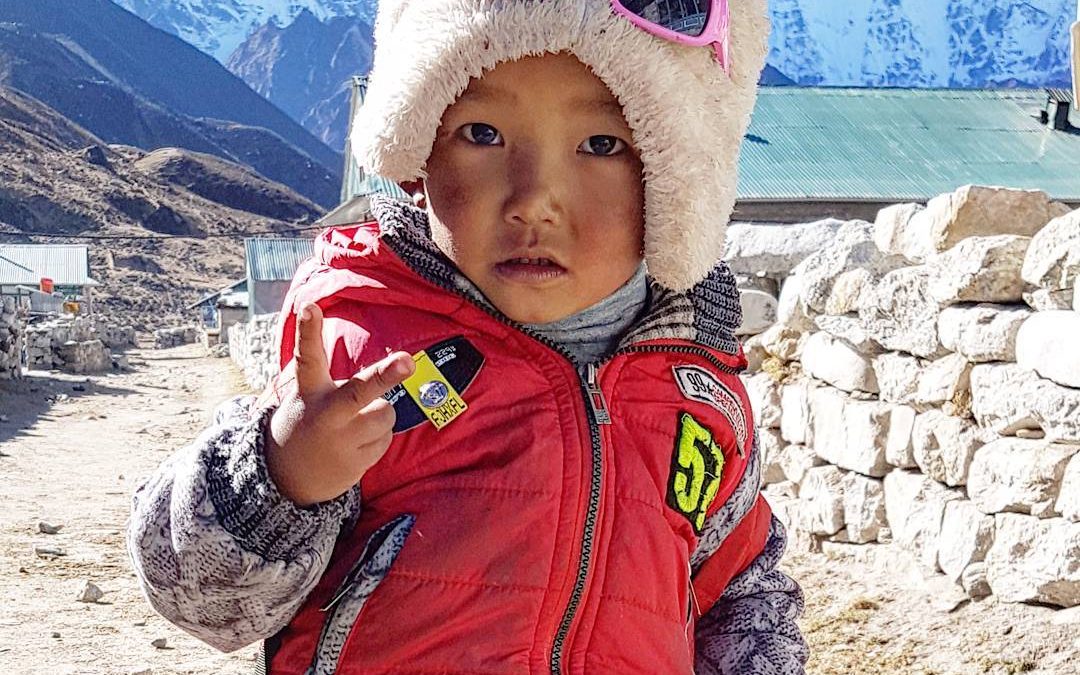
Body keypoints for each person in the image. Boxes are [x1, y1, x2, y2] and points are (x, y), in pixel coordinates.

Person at [127, 1, 808, 672]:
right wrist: (281, 477)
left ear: (677, 179)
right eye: (483, 134)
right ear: (417, 152)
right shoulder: (364, 355)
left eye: (601, 145)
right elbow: (202, 601)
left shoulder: (698, 397)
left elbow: (742, 595)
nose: (533, 200)